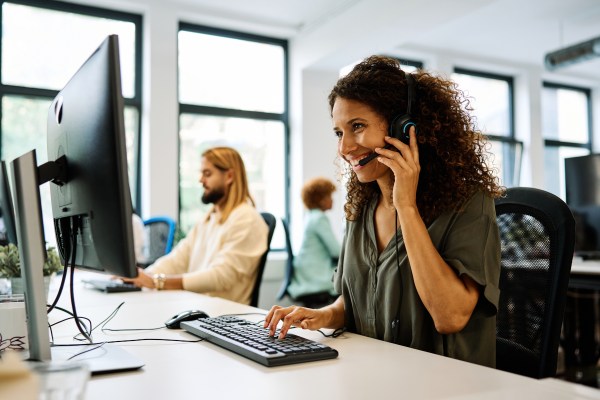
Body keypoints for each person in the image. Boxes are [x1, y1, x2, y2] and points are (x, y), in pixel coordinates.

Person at [265, 56, 503, 368]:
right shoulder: (362, 206)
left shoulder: (468, 202)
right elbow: (361, 303)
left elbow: (450, 317)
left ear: (404, 128)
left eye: (358, 127)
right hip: (374, 373)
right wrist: (322, 315)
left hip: (445, 383)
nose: (345, 147)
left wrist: (406, 206)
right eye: (339, 132)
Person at [121, 146, 268, 305]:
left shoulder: (246, 219)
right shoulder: (208, 219)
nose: (200, 180)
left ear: (230, 176)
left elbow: (220, 276)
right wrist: (139, 277)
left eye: (207, 174)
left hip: (223, 315)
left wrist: (157, 282)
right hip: (198, 306)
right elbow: (177, 260)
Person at [287, 177, 341, 308]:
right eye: (329, 196)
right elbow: (336, 251)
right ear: (320, 200)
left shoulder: (310, 216)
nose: (332, 199)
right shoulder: (319, 218)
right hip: (316, 277)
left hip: (304, 274)